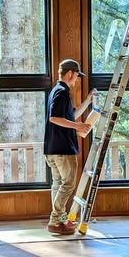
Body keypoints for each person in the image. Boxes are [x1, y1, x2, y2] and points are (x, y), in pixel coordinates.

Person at [44, 59, 95, 235]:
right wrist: (78, 127)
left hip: (53, 149)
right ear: (70, 74)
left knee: (58, 185)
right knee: (67, 185)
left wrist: (88, 101)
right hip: (63, 149)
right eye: (76, 76)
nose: (76, 80)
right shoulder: (62, 93)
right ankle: (55, 220)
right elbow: (54, 118)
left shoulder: (56, 91)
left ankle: (59, 221)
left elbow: (71, 115)